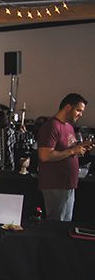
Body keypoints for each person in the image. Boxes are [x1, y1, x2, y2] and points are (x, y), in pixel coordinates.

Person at [37, 93, 92, 221]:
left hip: (68, 185)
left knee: (65, 224)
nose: (80, 114)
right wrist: (73, 151)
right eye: (78, 110)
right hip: (55, 185)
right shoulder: (51, 127)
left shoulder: (69, 127)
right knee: (56, 224)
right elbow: (45, 156)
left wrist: (81, 147)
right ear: (68, 107)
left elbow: (67, 150)